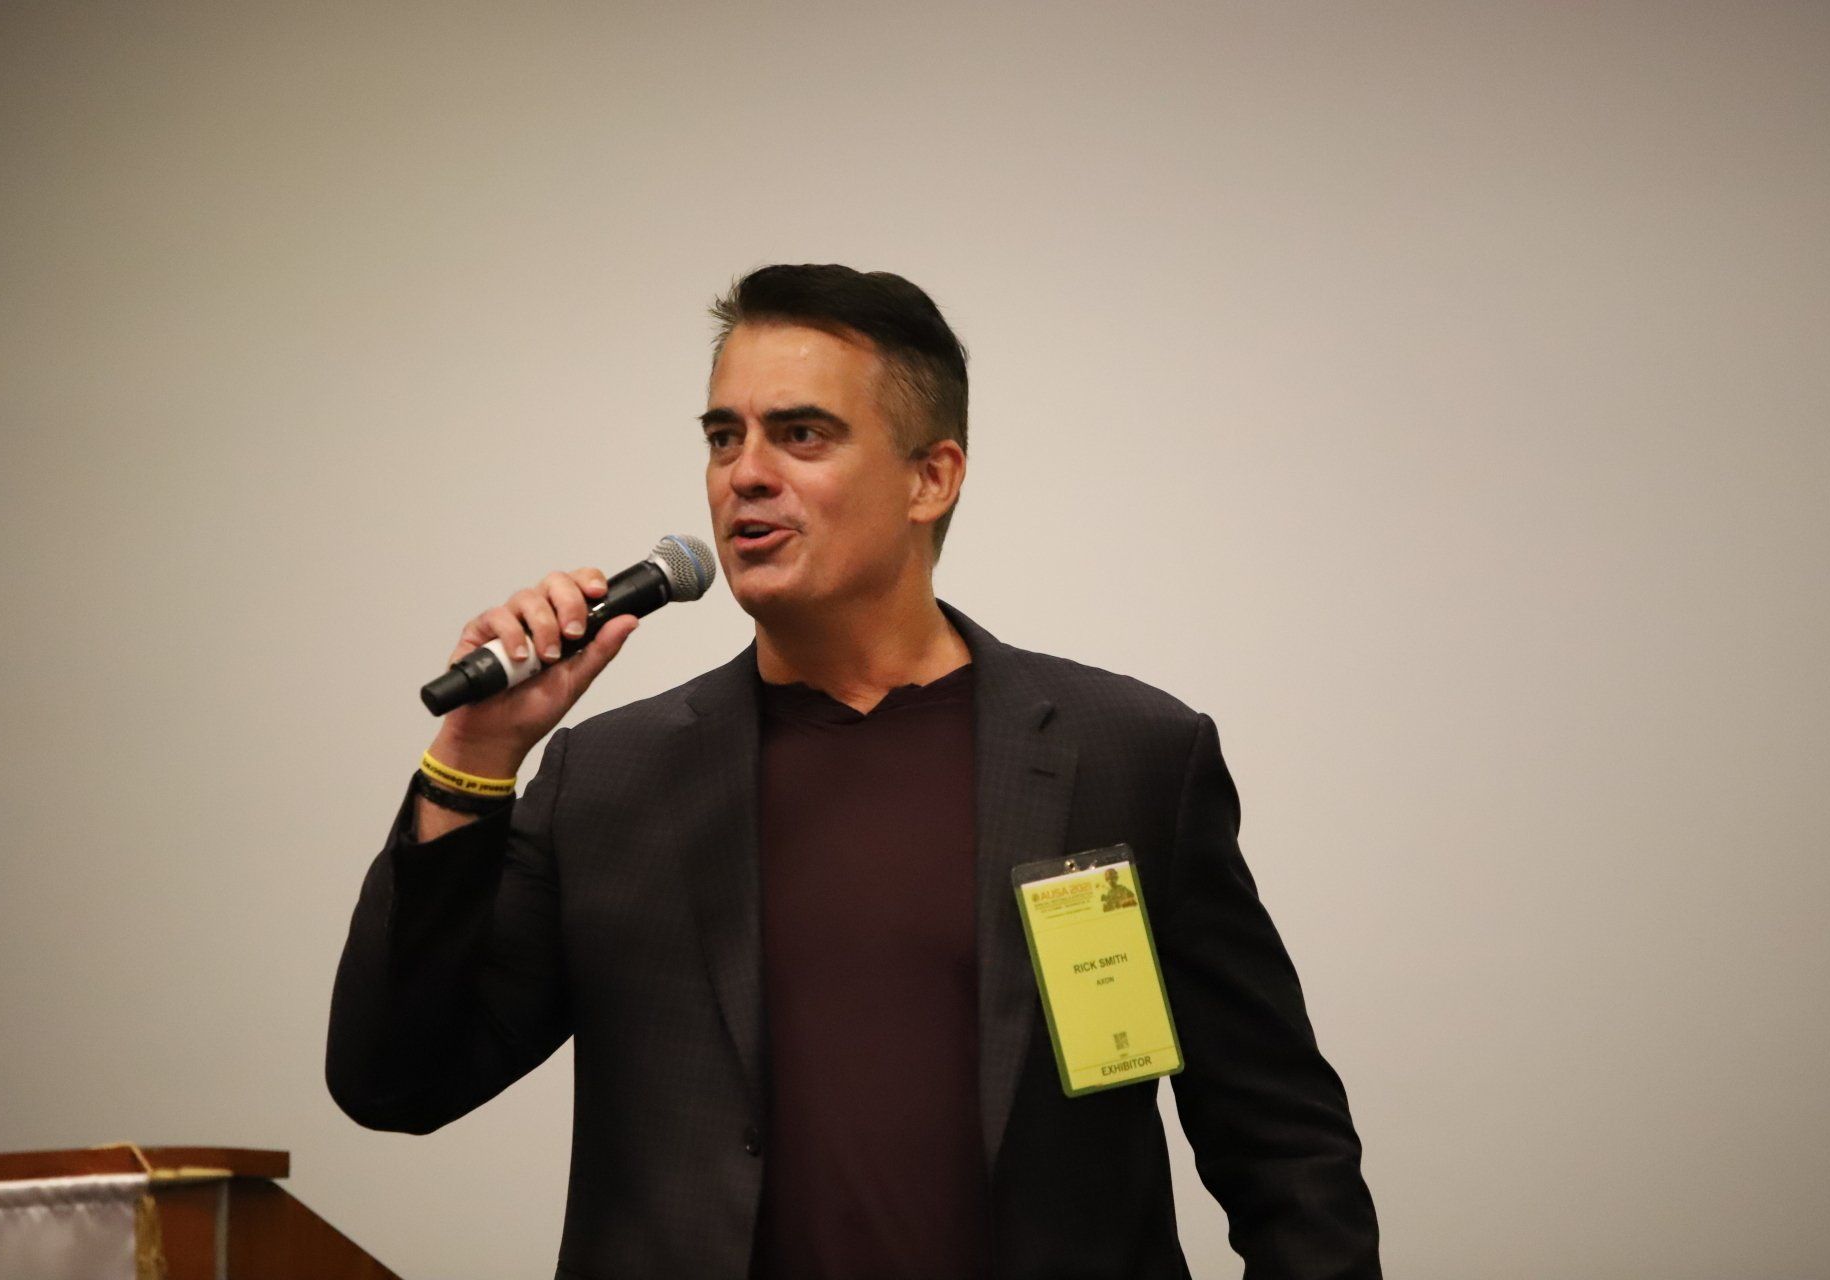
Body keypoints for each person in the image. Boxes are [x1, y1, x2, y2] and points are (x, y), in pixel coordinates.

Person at [326, 264, 1381, 1280]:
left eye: (801, 434)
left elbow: (1285, 1148)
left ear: (932, 477)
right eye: (723, 436)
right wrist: (476, 756)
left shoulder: (1128, 753)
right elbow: (396, 1082)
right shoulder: (612, 778)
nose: (745, 473)